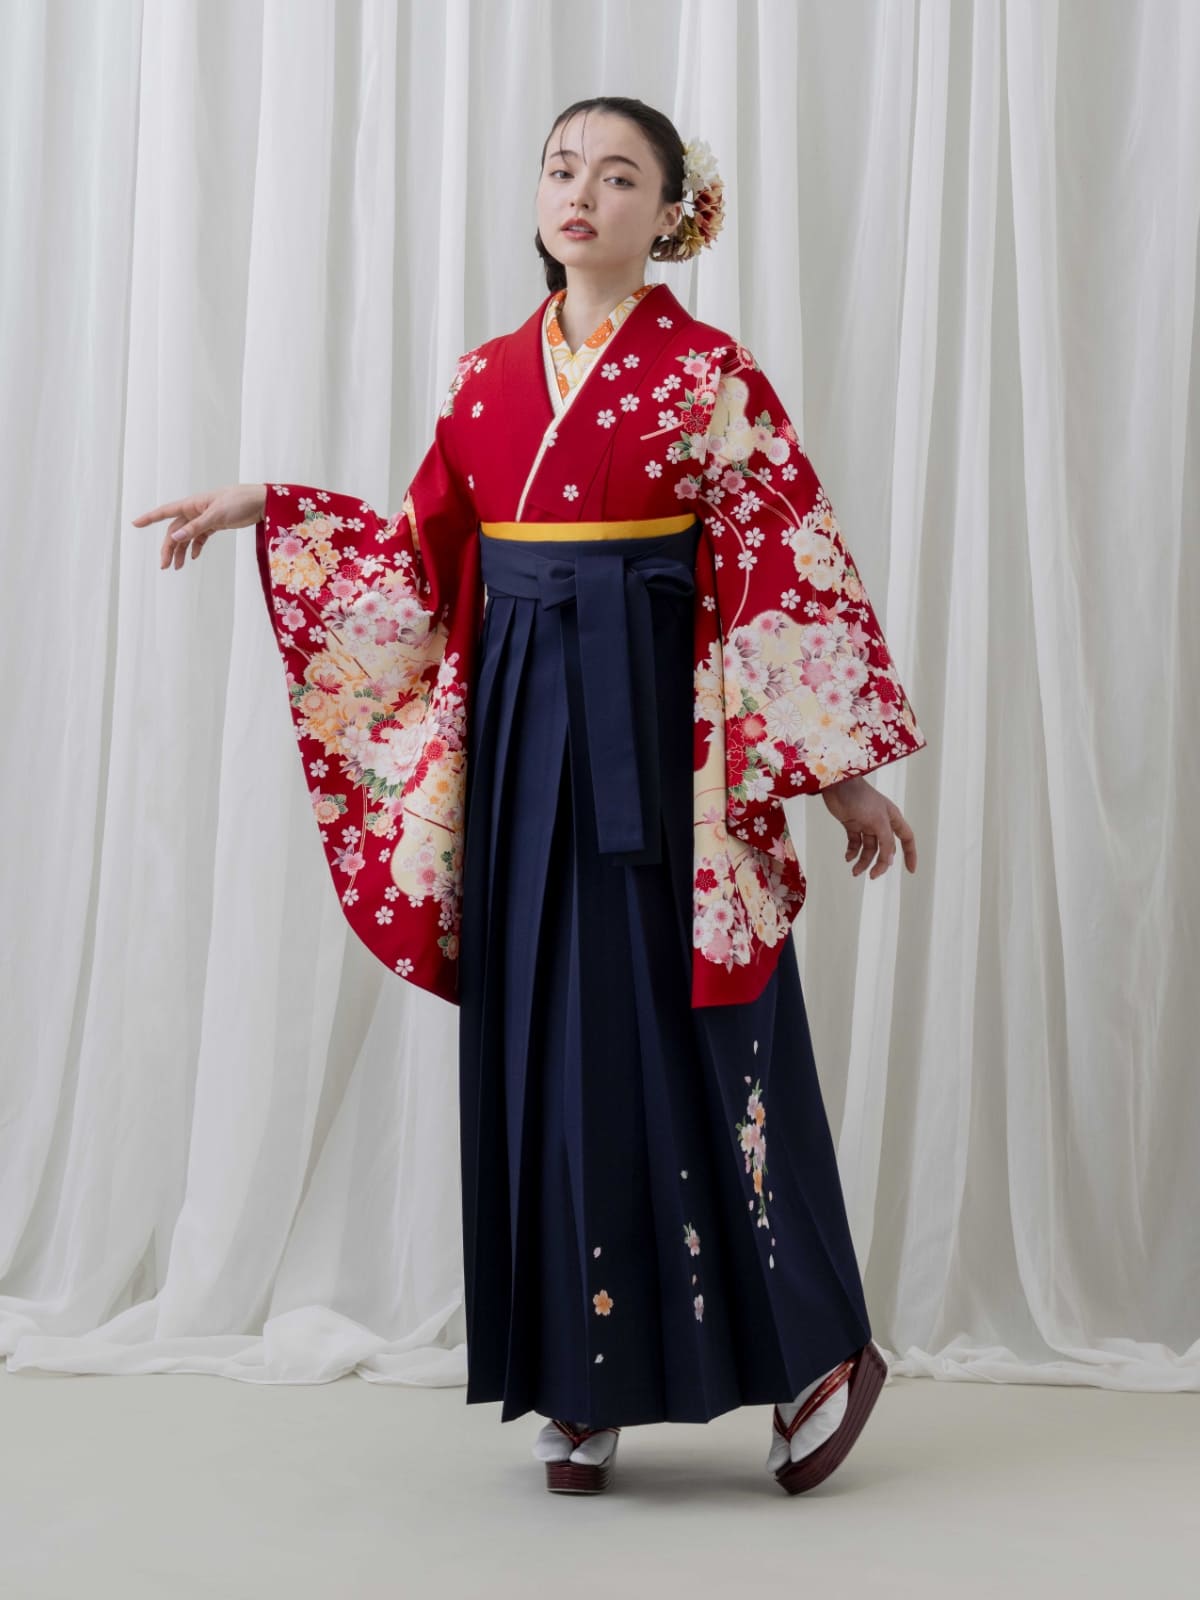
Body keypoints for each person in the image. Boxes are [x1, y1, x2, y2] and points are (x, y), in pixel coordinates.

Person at [133, 96, 927, 1498]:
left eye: (619, 176)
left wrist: (845, 775)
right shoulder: (486, 378)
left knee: (710, 1030)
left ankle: (817, 1353)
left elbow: (781, 568)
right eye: (564, 168)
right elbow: (417, 557)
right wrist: (271, 505)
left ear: (671, 214)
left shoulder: (709, 374)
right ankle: (581, 1367)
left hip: (669, 739)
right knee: (545, 1036)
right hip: (518, 731)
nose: (583, 193)